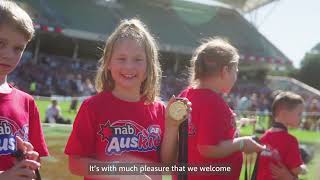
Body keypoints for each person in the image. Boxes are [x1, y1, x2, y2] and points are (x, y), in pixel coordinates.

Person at [65, 18, 190, 180]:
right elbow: (75, 164)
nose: (129, 67)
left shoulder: (159, 110)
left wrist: (172, 126)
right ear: (108, 63)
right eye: (121, 59)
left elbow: (166, 165)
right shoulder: (93, 107)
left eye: (138, 60)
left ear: (149, 66)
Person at [178, 37, 265, 180]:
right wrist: (243, 143)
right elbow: (208, 148)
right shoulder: (213, 103)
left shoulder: (186, 94)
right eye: (235, 71)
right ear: (225, 71)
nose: (236, 77)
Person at [0, 0, 49, 178]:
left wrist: (27, 160)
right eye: (1, 43)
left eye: (18, 48)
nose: (8, 54)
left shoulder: (27, 102)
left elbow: (36, 166)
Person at [256, 91, 307, 180]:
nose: (301, 118)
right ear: (284, 114)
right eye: (299, 114)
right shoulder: (290, 140)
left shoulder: (264, 137)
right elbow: (296, 169)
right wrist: (304, 168)